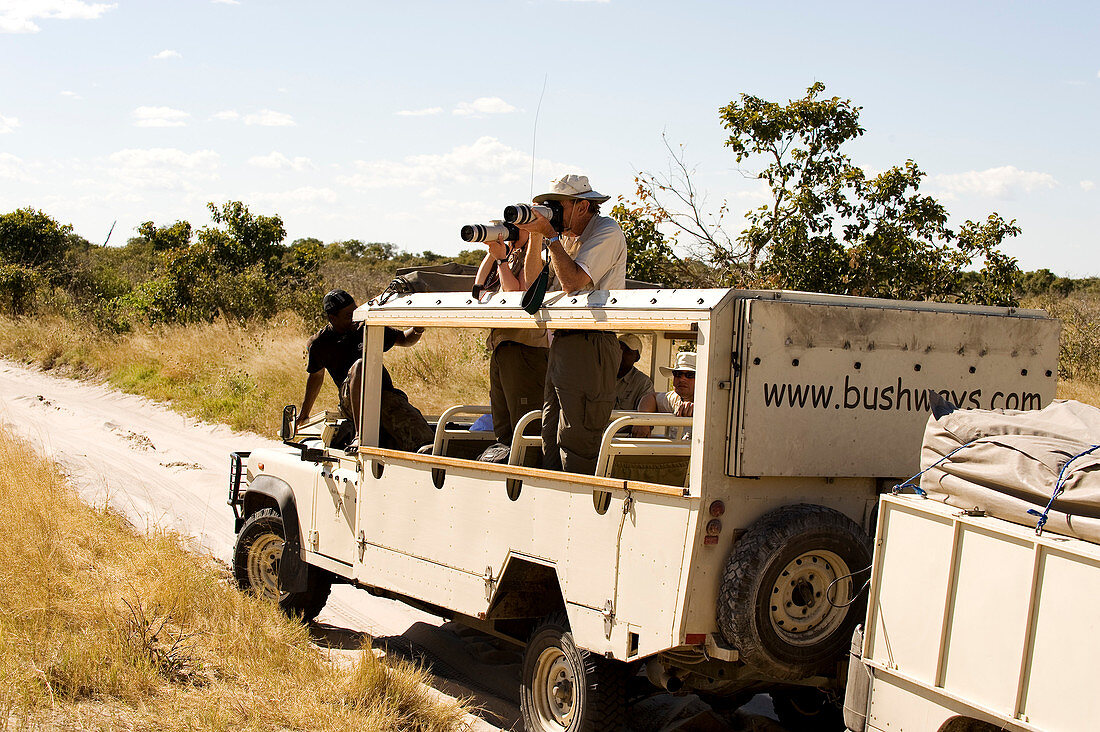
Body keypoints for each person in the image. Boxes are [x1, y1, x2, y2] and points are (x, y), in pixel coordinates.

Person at [516, 174, 627, 474]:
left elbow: (573, 283)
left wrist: (550, 236)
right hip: (563, 341)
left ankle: (580, 509)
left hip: (592, 341)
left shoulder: (606, 231)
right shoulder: (564, 238)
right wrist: (536, 235)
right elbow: (531, 284)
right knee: (549, 440)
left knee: (577, 442)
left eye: (555, 206)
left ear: (581, 206)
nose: (551, 212)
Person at [297, 289, 433, 452]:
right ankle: (359, 435)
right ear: (333, 318)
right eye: (348, 316)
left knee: (422, 438)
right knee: (361, 365)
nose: (355, 318)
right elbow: (316, 377)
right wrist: (304, 414)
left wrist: (418, 328)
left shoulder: (365, 327)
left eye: (356, 311)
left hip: (383, 394)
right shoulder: (320, 343)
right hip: (351, 401)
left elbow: (404, 339)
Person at [475, 229, 549, 458]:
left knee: (524, 424)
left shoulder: (540, 256)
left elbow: (517, 294)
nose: (512, 233)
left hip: (526, 348)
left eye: (517, 228)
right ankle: (505, 462)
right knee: (503, 423)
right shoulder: (511, 255)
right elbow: (478, 290)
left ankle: (528, 468)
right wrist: (494, 251)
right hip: (503, 345)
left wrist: (501, 259)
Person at [633, 351, 695, 439]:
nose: (682, 379)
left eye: (690, 375)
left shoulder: (711, 404)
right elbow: (651, 398)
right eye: (678, 374)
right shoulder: (675, 398)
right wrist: (643, 420)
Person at [614, 333, 654, 411]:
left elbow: (644, 416)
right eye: (619, 350)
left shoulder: (643, 383)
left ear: (637, 357)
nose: (621, 354)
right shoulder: (600, 376)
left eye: (627, 351)